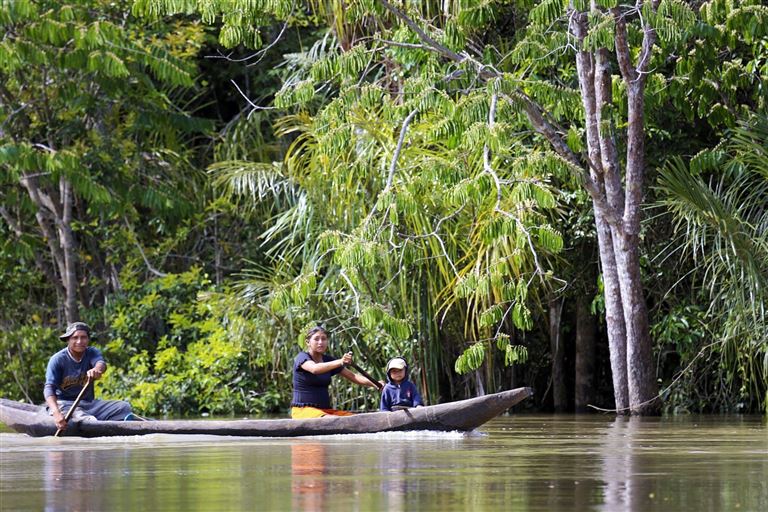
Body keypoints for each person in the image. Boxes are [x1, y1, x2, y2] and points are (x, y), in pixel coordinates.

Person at [45, 322, 135, 430]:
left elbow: (101, 364)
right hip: (65, 405)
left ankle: (115, 422)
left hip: (89, 404)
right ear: (68, 340)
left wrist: (97, 370)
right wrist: (56, 413)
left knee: (124, 406)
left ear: (88, 339)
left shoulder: (92, 352)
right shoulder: (58, 359)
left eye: (83, 337)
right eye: (75, 338)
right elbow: (49, 388)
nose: (79, 341)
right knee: (84, 418)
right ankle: (93, 424)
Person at [291, 325, 381, 419]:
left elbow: (354, 376)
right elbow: (315, 369)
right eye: (316, 339)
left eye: (324, 339)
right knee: (333, 420)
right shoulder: (302, 357)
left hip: (324, 410)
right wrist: (340, 361)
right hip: (303, 410)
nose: (320, 342)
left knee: (354, 419)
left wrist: (376, 384)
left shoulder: (328, 360)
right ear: (308, 342)